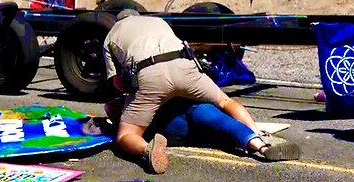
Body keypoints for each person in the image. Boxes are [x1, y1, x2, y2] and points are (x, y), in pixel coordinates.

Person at [99, 9, 300, 174]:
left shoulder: (112, 35)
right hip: (184, 64)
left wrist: (133, 96)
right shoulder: (157, 21)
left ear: (119, 21)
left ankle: (146, 148)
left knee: (126, 136)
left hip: (150, 75)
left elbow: (117, 83)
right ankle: (257, 138)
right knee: (224, 102)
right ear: (136, 15)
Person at [91, 96, 301, 159]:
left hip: (173, 130)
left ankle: (148, 150)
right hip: (194, 108)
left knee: (216, 132)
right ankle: (260, 145)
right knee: (224, 125)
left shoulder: (136, 100)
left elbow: (110, 106)